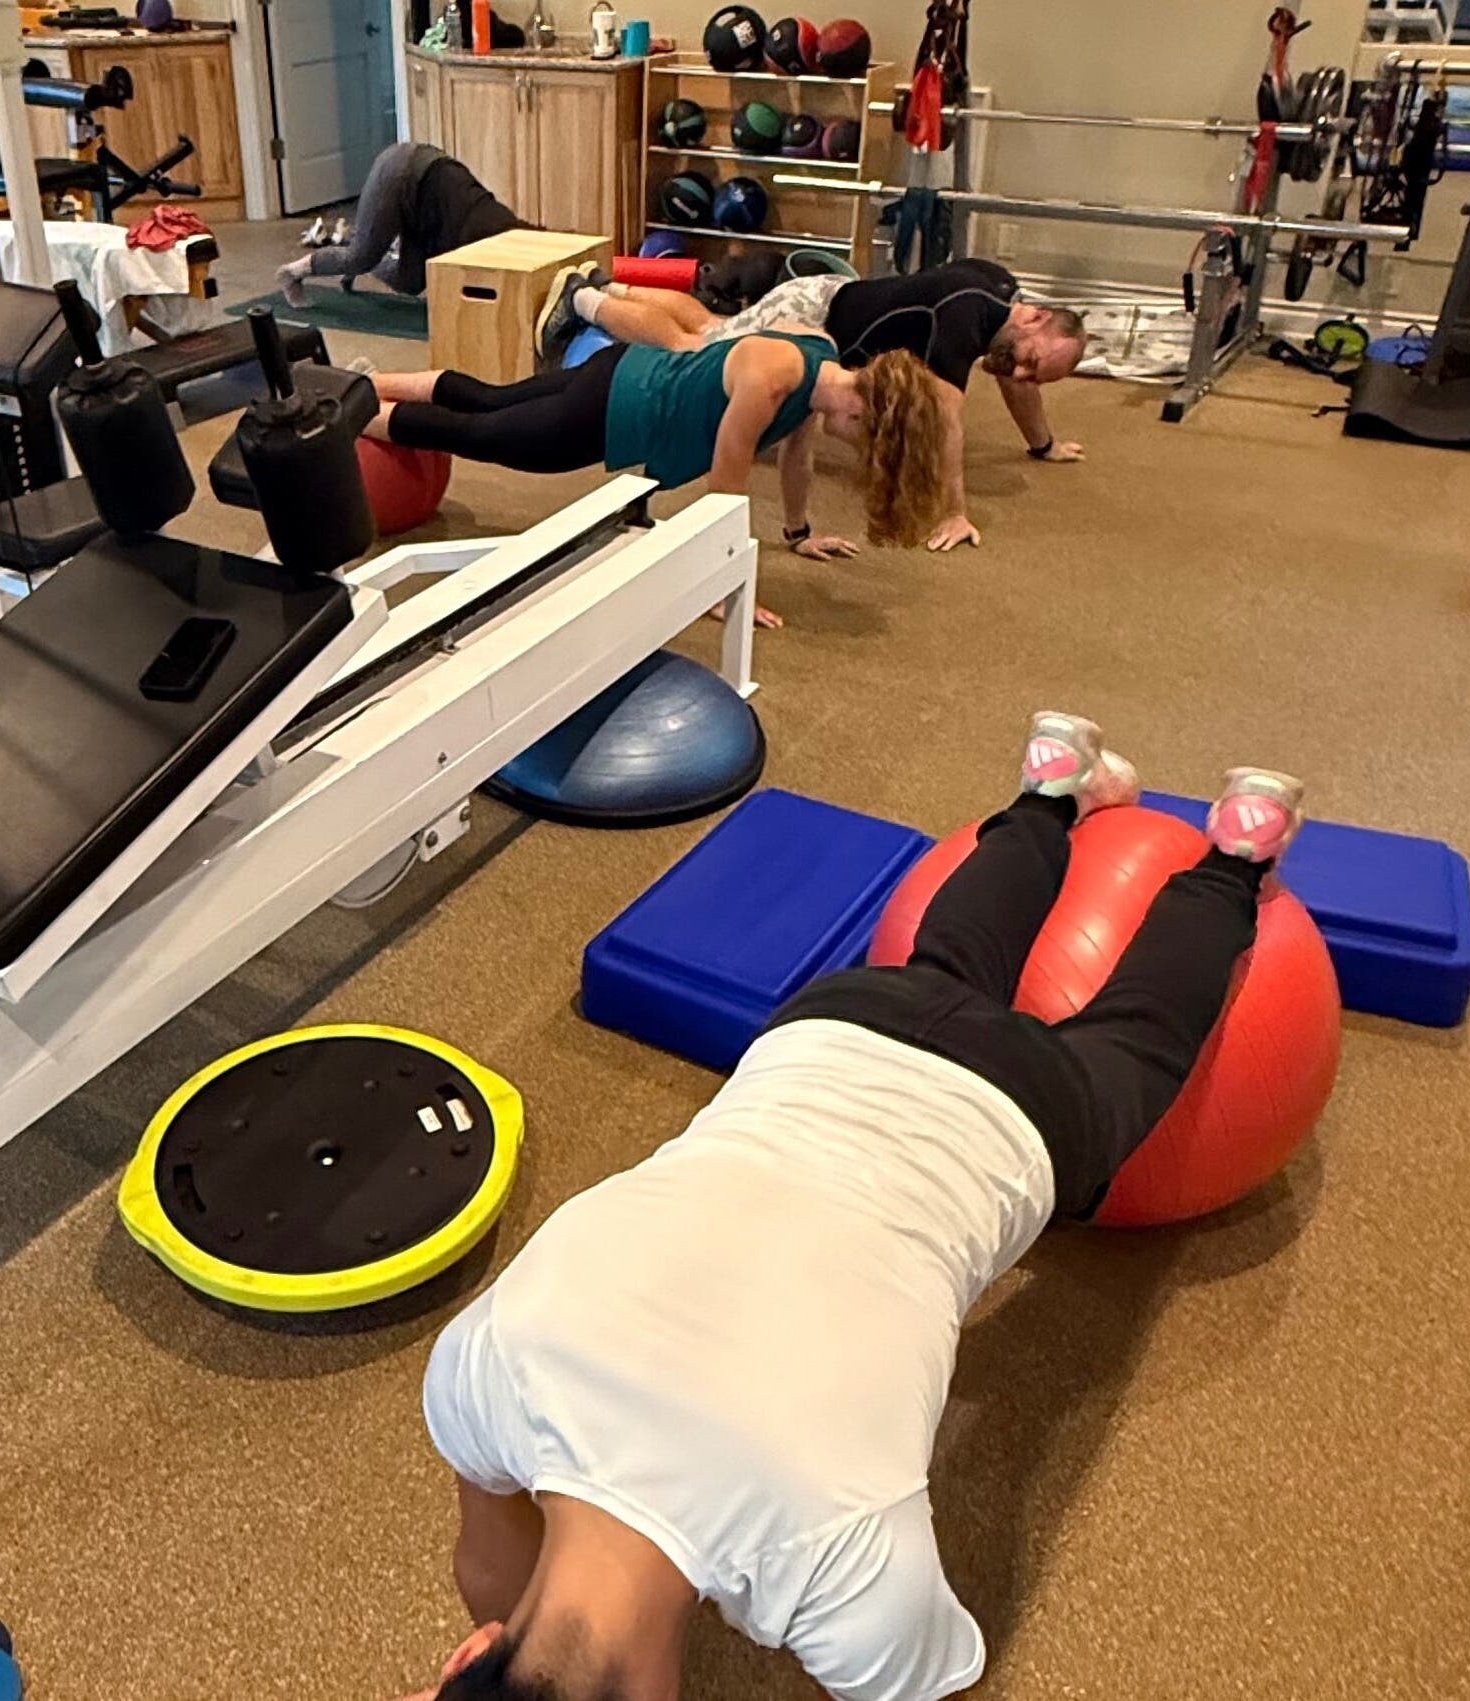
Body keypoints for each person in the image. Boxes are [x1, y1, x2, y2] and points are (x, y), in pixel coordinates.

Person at [398, 712, 1310, 1701]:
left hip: (1012, 1109)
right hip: (825, 1032)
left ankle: (1236, 852)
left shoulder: (845, 1575)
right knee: (948, 961)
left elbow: (922, 1680)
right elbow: (488, 1576)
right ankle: (1050, 791)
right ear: (459, 1661)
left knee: (1137, 1041)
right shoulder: (481, 1371)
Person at [364, 329, 945, 627]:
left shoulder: (819, 363)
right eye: (864, 438)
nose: (856, 447)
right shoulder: (772, 383)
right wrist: (718, 587)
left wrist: (798, 534)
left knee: (492, 400)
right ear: (860, 411)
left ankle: (367, 384)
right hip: (614, 411)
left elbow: (798, 458)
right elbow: (725, 488)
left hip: (623, 366)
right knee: (482, 437)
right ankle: (354, 417)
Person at [539, 257, 1090, 553]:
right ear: (1036, 316)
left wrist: (1041, 445)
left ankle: (609, 287)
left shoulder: (1002, 295)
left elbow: (1021, 384)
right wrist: (953, 510)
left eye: (1037, 374)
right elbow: (944, 418)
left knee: (711, 326)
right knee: (695, 348)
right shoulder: (968, 316)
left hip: (828, 310)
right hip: (815, 311)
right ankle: (583, 300)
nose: (1021, 374)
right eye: (1031, 360)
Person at [277, 142, 526, 305]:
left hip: (427, 198)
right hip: (401, 172)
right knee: (358, 258)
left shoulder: (504, 230)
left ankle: (362, 242)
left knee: (412, 281)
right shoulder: (490, 234)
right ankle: (293, 272)